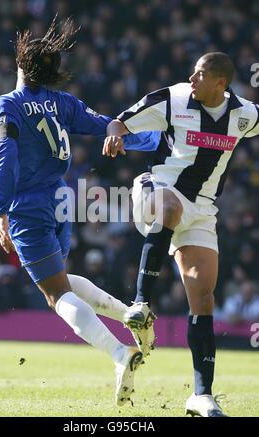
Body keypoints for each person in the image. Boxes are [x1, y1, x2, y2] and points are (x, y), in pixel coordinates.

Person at [0, 15, 160, 407]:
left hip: (29, 207)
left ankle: (121, 354)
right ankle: (129, 313)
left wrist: (0, 211)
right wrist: (149, 139)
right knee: (61, 280)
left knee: (55, 295)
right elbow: (106, 126)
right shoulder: (63, 102)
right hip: (63, 200)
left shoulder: (7, 105)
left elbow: (5, 153)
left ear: (20, 65)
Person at [103, 51, 259, 417]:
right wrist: (114, 136)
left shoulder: (244, 114)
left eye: (200, 73)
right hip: (157, 189)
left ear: (221, 83)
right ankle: (141, 303)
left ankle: (201, 395)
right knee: (170, 206)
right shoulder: (173, 99)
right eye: (192, 72)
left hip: (202, 210)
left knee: (203, 296)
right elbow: (120, 121)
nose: (192, 78)